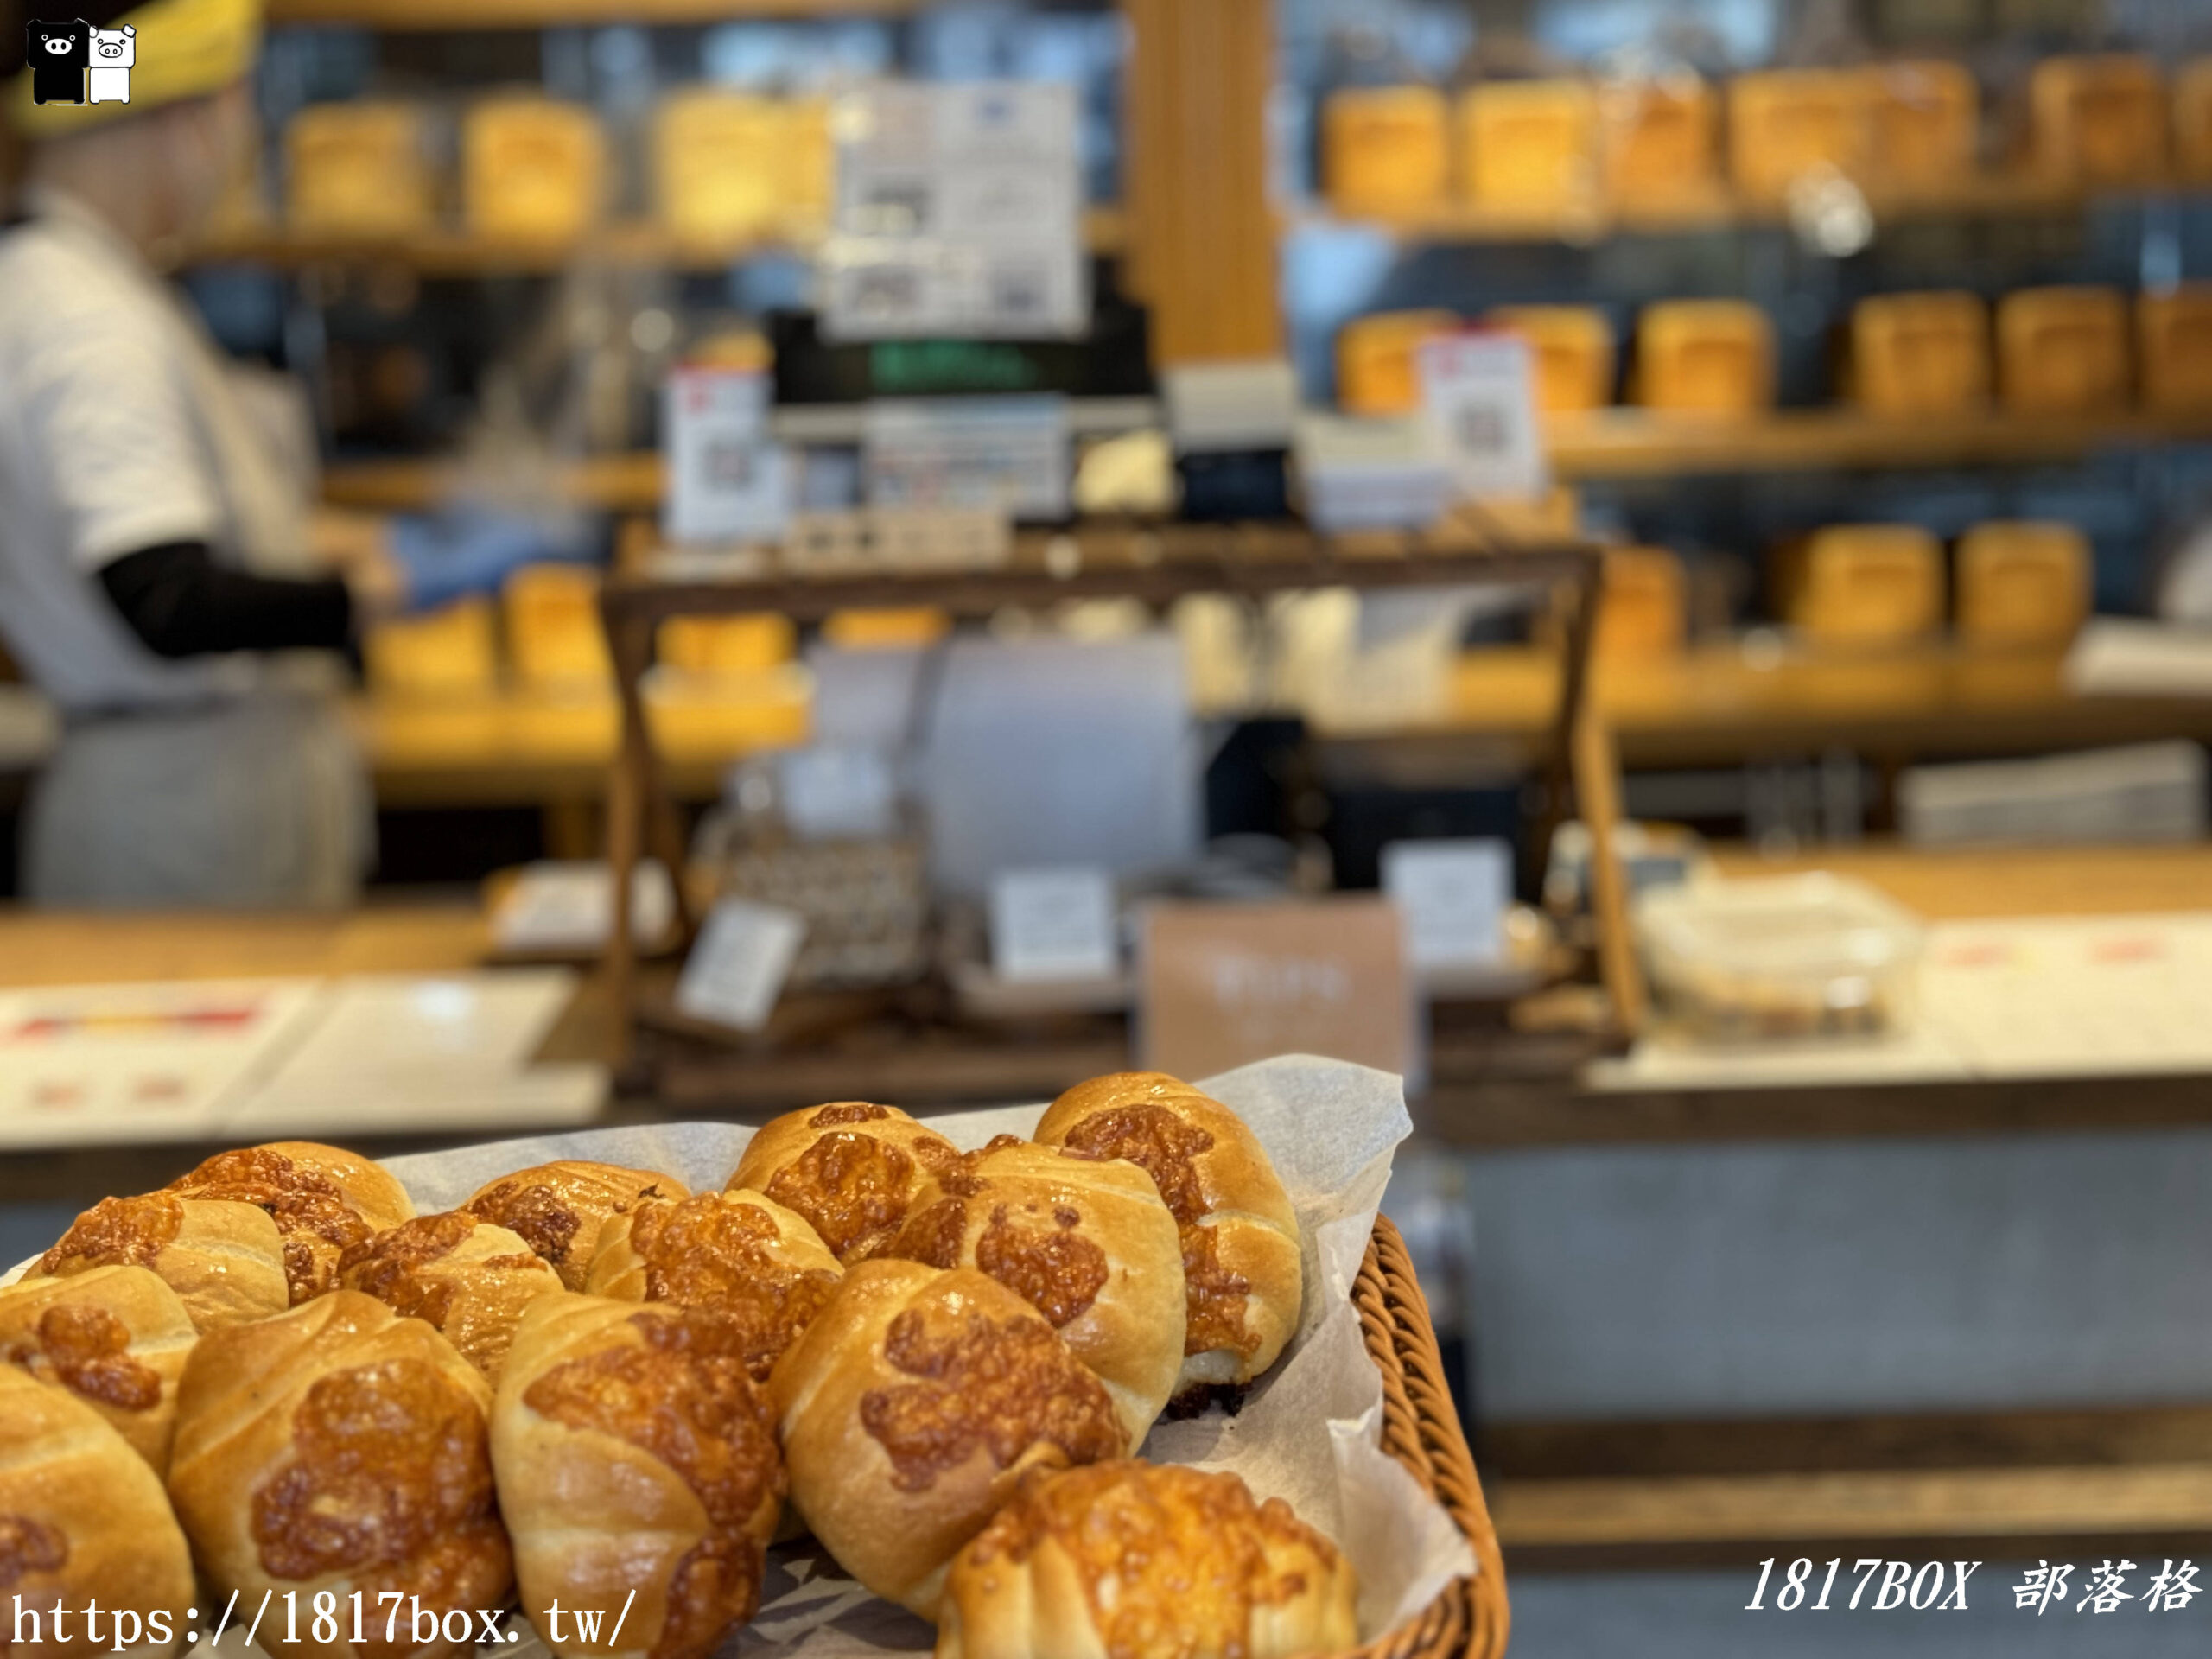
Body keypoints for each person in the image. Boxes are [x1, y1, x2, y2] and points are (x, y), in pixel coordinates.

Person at [1, 0, 545, 906]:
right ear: (184, 120)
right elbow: (167, 599)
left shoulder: (76, 286)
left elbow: (177, 529)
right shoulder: (85, 325)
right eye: (239, 109)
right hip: (183, 827)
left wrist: (367, 539)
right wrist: (386, 591)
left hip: (194, 794)